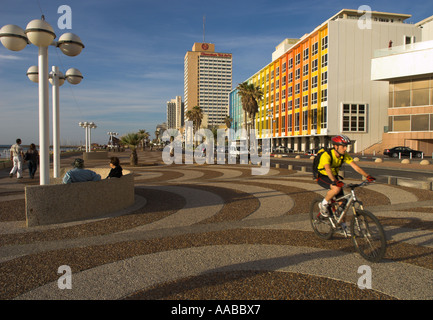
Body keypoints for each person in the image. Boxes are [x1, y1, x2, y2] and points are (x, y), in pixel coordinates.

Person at [316, 135, 376, 231]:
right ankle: (323, 203)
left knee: (342, 204)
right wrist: (334, 181)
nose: (345, 148)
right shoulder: (326, 155)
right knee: (336, 188)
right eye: (343, 146)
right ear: (336, 146)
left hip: (334, 177)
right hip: (323, 176)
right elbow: (327, 169)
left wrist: (367, 176)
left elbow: (355, 167)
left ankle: (343, 226)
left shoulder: (344, 155)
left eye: (346, 146)